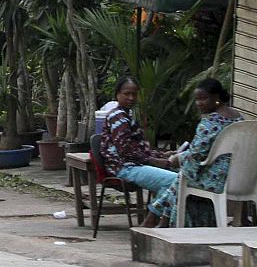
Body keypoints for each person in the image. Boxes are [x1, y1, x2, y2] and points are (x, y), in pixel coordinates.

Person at [147, 78, 245, 228]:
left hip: (216, 180)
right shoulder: (239, 118)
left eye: (203, 98)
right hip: (240, 176)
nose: (199, 103)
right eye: (197, 99)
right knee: (181, 177)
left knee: (181, 177)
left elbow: (196, 156)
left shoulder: (210, 122)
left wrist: (176, 159)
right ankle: (159, 220)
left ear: (216, 97)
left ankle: (157, 218)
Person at [96, 78, 178, 228]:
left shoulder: (127, 116)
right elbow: (126, 151)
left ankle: (161, 220)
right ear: (117, 95)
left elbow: (138, 149)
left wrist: (161, 155)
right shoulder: (118, 117)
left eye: (134, 94)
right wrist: (155, 161)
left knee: (182, 176)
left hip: (135, 164)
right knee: (176, 181)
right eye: (127, 94)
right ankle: (152, 219)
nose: (131, 98)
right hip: (125, 168)